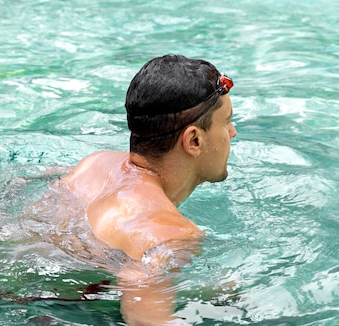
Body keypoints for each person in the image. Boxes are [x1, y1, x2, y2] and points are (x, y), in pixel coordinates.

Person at [50, 54, 237, 325]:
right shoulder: (168, 233)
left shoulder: (93, 164)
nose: (232, 132)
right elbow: (143, 316)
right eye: (226, 121)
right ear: (194, 140)